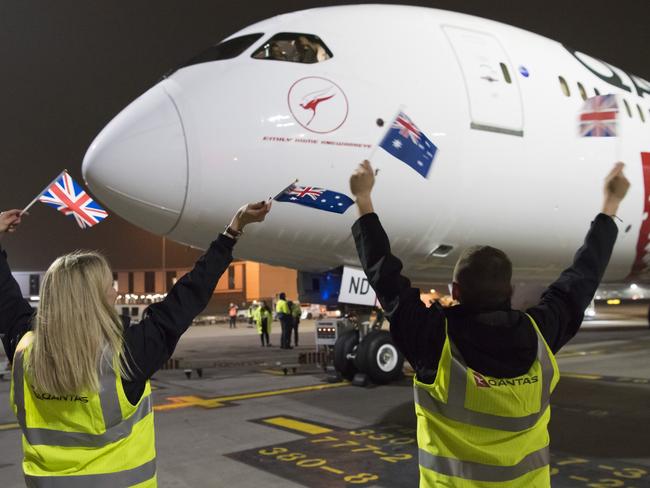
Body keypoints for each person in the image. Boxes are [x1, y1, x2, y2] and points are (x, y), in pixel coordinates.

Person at [348, 159, 629, 487]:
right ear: (510, 291)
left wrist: (364, 200)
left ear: (456, 291)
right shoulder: (539, 334)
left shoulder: (436, 341)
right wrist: (610, 205)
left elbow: (386, 277)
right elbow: (583, 276)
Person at [0, 201, 271, 486]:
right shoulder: (127, 353)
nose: (115, 293)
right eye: (109, 287)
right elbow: (188, 295)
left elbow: (5, 295)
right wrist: (233, 230)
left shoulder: (24, 348)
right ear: (94, 299)